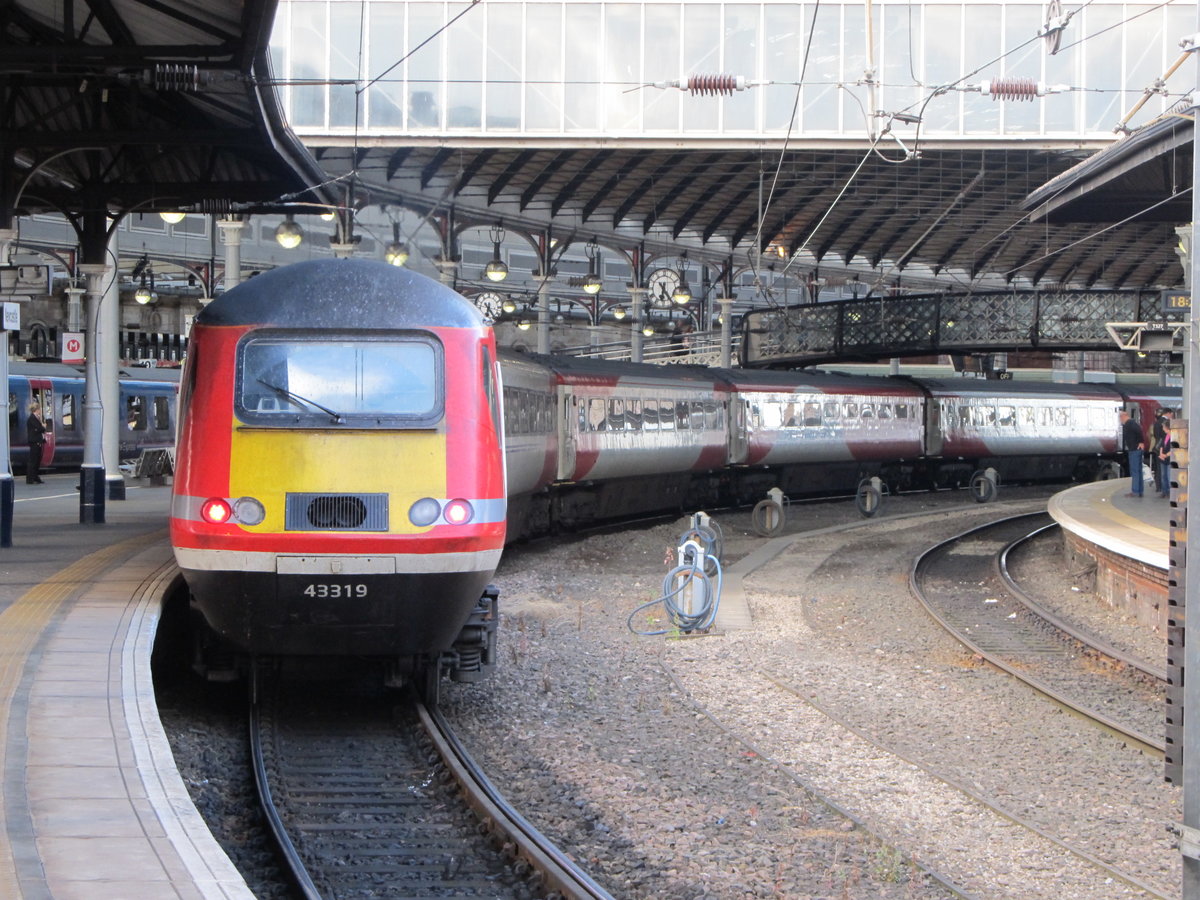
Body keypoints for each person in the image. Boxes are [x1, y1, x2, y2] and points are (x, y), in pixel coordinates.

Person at [1119, 409, 1146, 497]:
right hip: (1135, 449)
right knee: (1138, 471)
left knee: (1135, 471)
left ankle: (1135, 491)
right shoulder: (1131, 423)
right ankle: (1139, 490)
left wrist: (1141, 442)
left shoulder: (1130, 423)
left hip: (1134, 449)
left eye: (1120, 417)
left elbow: (1138, 432)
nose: (1120, 420)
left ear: (1123, 416)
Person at [25, 402, 46, 485]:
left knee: (37, 461)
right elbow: (38, 429)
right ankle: (30, 478)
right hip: (35, 442)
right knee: (33, 461)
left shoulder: (36, 418)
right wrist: (43, 427)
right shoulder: (32, 418)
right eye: (39, 409)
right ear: (37, 410)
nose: (40, 411)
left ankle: (35, 477)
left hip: (37, 442)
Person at [1157, 408, 1175, 498]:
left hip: (1169, 458)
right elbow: (1161, 445)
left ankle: (1170, 493)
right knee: (1163, 476)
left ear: (1167, 428)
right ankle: (1165, 491)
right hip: (1163, 458)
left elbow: (1173, 448)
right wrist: (1161, 454)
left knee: (1169, 476)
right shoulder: (1166, 435)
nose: (1163, 429)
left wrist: (1165, 455)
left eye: (1164, 427)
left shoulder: (1173, 436)